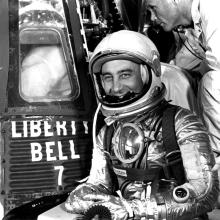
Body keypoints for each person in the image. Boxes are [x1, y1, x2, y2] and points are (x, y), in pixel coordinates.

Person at [64, 30, 218, 220]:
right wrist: (80, 196)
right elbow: (98, 185)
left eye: (125, 74)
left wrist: (132, 209)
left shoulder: (182, 123)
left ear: (146, 74)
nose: (116, 87)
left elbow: (204, 194)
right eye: (107, 77)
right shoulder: (107, 133)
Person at [144, 0, 220, 171]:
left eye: (153, 8)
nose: (153, 18)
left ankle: (215, 161)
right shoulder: (196, 22)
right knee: (168, 75)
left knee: (212, 82)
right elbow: (183, 62)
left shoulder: (213, 7)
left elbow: (218, 62)